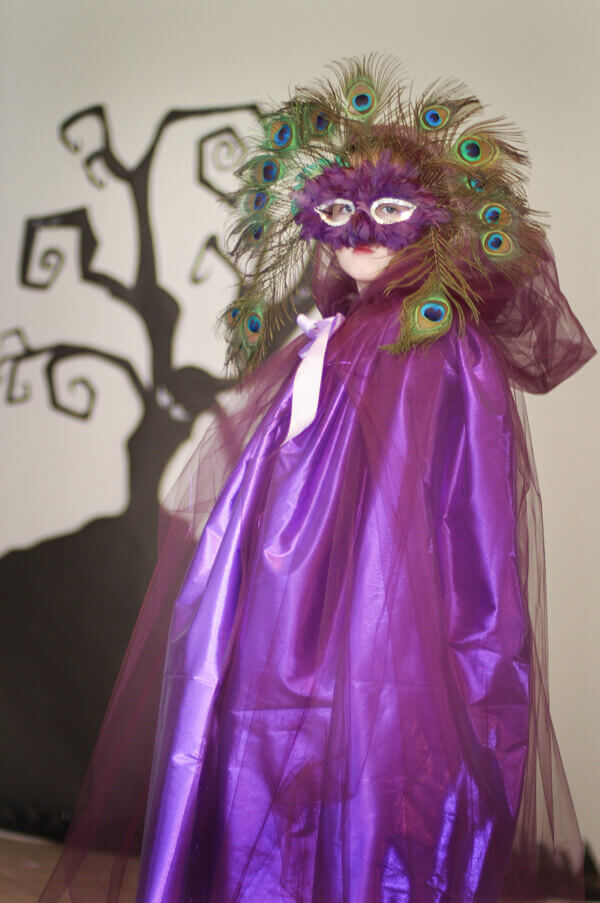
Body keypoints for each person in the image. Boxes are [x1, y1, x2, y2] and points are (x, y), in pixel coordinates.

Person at [38, 55, 595, 903]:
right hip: (285, 601)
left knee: (375, 754)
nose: (361, 230)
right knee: (268, 743)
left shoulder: (447, 352)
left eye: (390, 209)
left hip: (387, 616)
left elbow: (465, 512)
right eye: (338, 209)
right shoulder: (323, 339)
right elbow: (270, 481)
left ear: (437, 219)